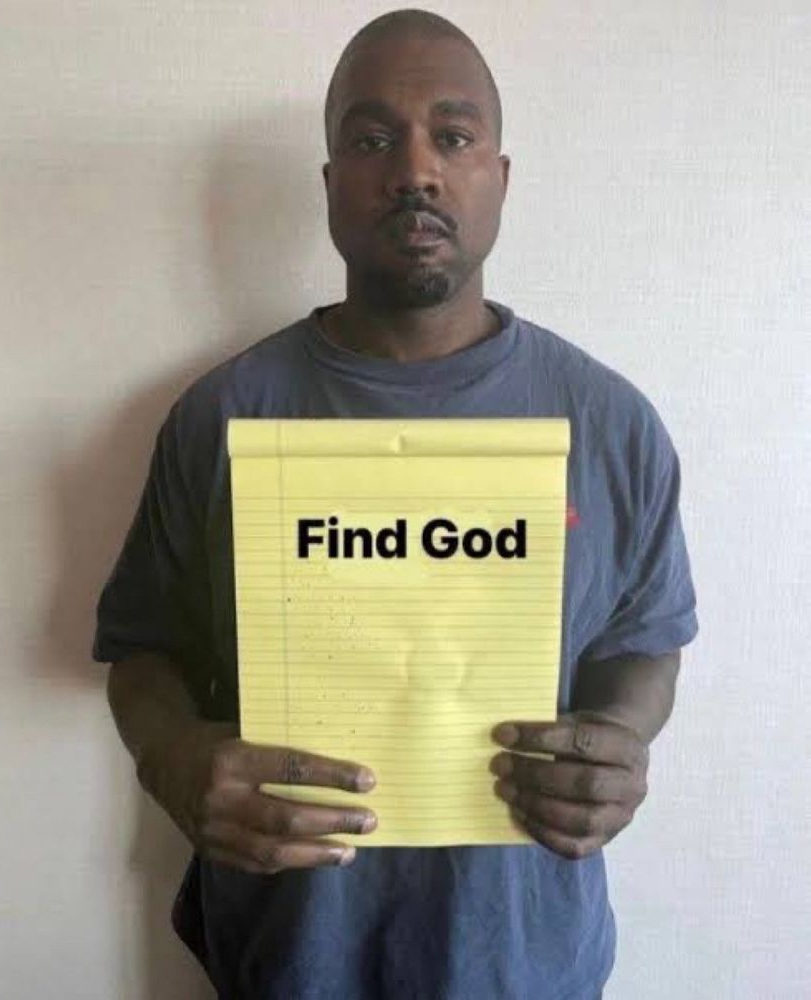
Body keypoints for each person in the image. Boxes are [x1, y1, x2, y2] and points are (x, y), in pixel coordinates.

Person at [94, 9, 698, 999]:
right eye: (373, 140)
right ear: (331, 182)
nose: (416, 170)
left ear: (501, 177)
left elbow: (646, 642)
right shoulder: (223, 417)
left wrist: (620, 742)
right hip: (288, 958)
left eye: (452, 136)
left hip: (524, 959)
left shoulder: (610, 423)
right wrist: (174, 757)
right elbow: (141, 648)